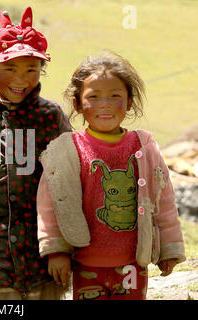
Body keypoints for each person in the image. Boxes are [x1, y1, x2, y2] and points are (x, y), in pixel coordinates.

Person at [37, 51, 186, 300]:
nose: (104, 104)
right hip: (85, 264)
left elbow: (165, 201)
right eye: (93, 97)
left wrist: (169, 248)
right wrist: (56, 251)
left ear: (129, 102)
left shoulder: (144, 148)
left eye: (115, 96)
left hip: (133, 263)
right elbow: (51, 204)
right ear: (77, 104)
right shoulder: (67, 150)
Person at [0, 7, 72, 300]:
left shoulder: (50, 116)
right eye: (9, 68)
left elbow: (67, 185)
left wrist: (60, 247)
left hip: (42, 254)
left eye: (31, 69)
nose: (21, 79)